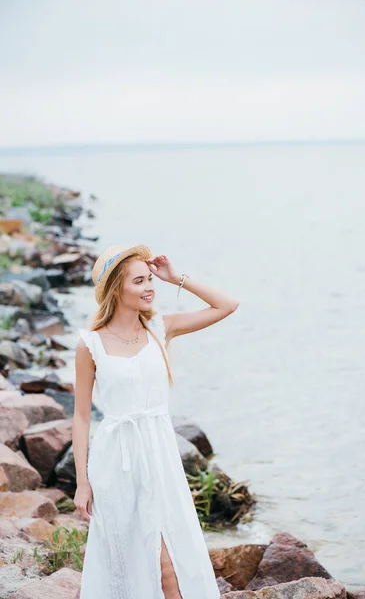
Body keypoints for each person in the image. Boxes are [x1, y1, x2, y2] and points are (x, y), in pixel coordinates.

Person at [72, 243, 239, 599]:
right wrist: (82, 483)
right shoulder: (90, 344)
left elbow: (227, 305)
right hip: (115, 460)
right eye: (139, 281)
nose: (150, 287)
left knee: (172, 558)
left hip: (160, 456)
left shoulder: (161, 329)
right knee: (127, 558)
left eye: (150, 280)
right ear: (116, 289)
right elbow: (82, 417)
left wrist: (176, 277)